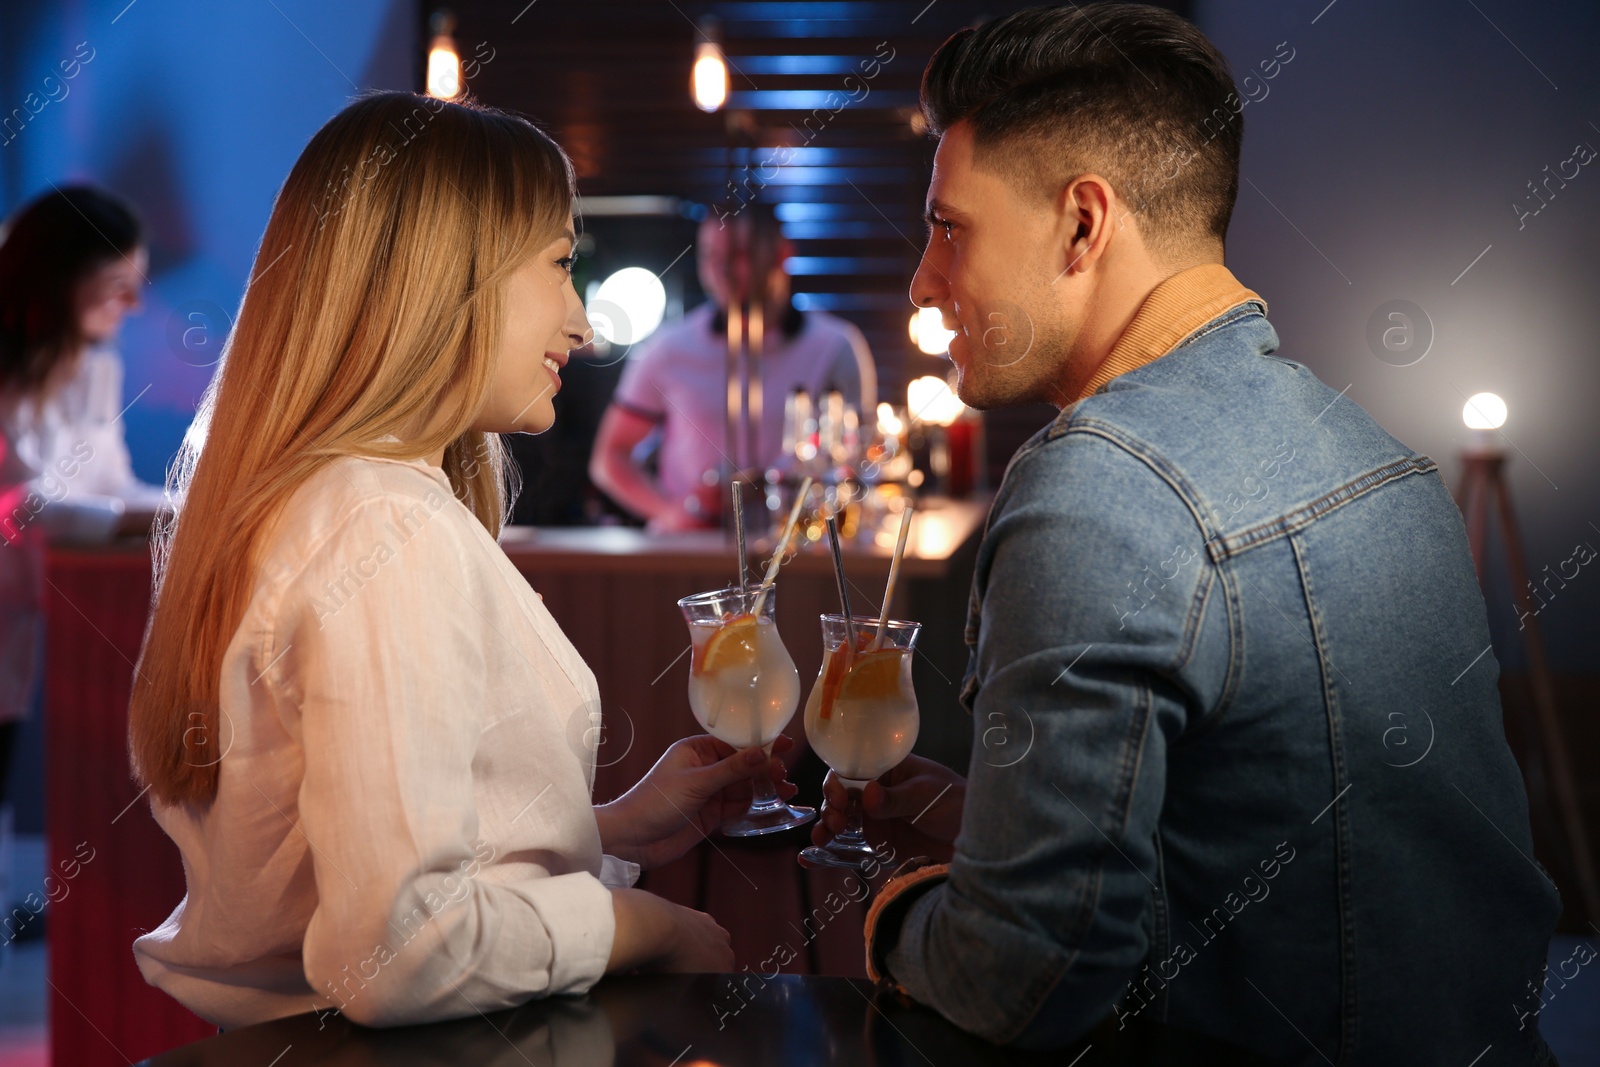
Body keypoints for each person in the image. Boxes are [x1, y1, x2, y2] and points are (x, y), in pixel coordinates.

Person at [813, 5, 1562, 1059]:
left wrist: (892, 914)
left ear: (1082, 223)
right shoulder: (1384, 457)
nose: (922, 284)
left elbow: (1026, 975)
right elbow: (1304, 842)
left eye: (949, 227)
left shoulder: (1095, 487)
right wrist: (987, 825)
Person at [128, 92, 797, 1031]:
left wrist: (606, 825)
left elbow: (356, 851)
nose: (583, 323)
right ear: (447, 277)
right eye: (562, 264)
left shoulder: (329, 501)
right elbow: (399, 949)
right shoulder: (383, 526)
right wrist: (636, 925)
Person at [0, 184, 161, 838]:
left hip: (26, 616)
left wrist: (200, 498)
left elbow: (115, 486)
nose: (134, 304)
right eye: (116, 284)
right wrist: (143, 515)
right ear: (58, 279)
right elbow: (25, 505)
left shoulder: (97, 371)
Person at [589, 201, 876, 531]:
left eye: (738, 254)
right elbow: (609, 456)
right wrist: (669, 513)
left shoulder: (834, 346)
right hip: (690, 550)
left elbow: (854, 458)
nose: (720, 270)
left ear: (782, 254)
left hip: (795, 546)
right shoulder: (669, 347)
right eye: (710, 256)